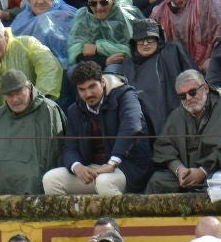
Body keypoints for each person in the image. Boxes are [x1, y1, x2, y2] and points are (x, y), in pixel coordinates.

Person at [45, 59, 148, 194]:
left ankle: (116, 216)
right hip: (93, 169)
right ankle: (74, 216)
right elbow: (69, 147)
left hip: (126, 167)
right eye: (82, 90)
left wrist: (112, 163)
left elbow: (132, 126)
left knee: (104, 182)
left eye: (92, 86)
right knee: (50, 179)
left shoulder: (125, 96)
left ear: (103, 82)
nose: (88, 94)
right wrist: (77, 166)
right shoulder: (74, 110)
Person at [0, 68, 62, 194]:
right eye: (9, 95)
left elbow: (53, 152)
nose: (14, 99)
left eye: (18, 92)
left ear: (29, 88)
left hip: (31, 172)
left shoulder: (48, 109)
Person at [148, 68, 221, 190]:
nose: (188, 98)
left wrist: (203, 171)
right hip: (185, 175)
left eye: (192, 92)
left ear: (206, 88)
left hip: (216, 172)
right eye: (182, 96)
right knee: (157, 181)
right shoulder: (176, 115)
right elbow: (163, 147)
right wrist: (178, 169)